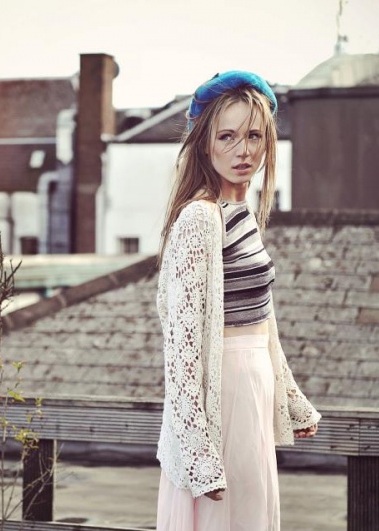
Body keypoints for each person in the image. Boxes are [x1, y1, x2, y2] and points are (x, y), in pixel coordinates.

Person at [155, 71, 321, 531]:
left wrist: (291, 397)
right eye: (227, 136)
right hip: (220, 397)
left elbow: (262, 323)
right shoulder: (199, 218)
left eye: (253, 136)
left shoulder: (243, 215)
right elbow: (182, 347)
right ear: (205, 143)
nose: (243, 150)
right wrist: (198, 453)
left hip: (253, 393)